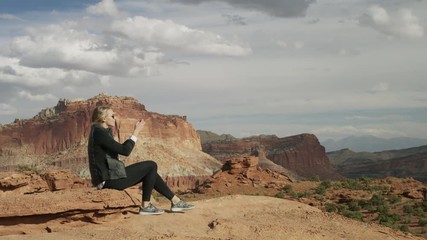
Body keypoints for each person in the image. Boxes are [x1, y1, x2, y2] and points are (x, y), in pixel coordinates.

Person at [87, 105, 194, 215]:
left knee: (150, 171)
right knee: (151, 165)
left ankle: (175, 201)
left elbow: (120, 149)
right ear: (103, 119)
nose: (115, 118)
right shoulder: (99, 132)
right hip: (108, 180)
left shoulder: (100, 131)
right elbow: (125, 151)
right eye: (113, 116)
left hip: (110, 177)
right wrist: (136, 131)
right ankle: (146, 206)